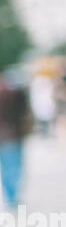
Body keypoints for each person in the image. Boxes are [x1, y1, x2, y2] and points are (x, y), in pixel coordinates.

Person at [0, 70, 34, 209]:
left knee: (9, 168)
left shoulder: (14, 94)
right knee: (13, 167)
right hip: (11, 136)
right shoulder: (13, 94)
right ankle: (12, 198)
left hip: (11, 136)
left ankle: (11, 197)